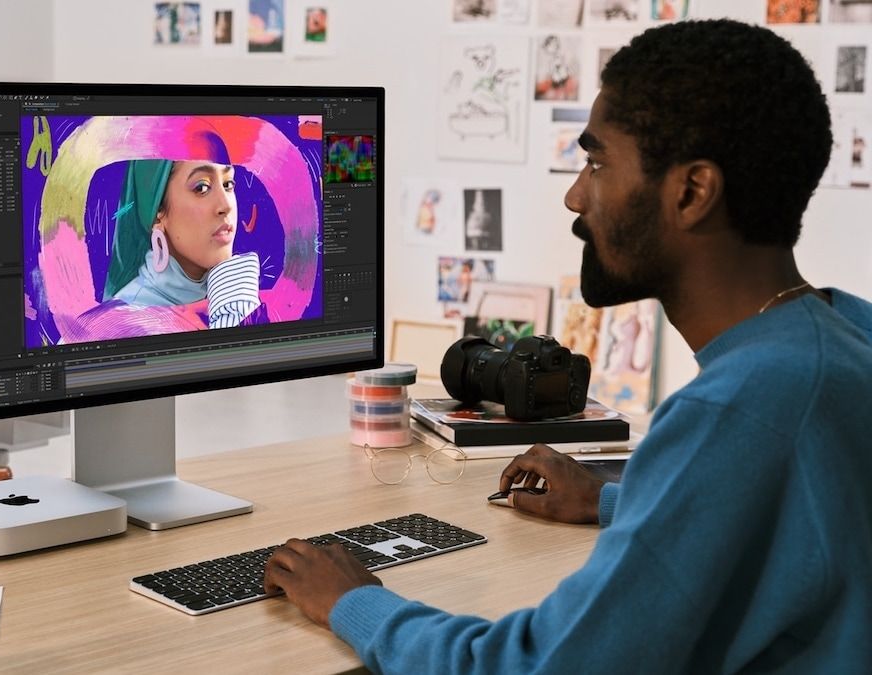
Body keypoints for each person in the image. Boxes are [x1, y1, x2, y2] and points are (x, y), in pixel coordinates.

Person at [264, 19, 872, 672]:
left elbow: (542, 665)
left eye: (598, 161)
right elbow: (797, 529)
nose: (575, 195)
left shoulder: (738, 409)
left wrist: (355, 601)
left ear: (691, 192)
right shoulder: (845, 333)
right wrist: (611, 499)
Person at [102, 158, 262, 329]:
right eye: (202, 188)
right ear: (158, 211)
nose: (226, 205)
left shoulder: (237, 290)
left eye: (228, 184)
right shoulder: (127, 322)